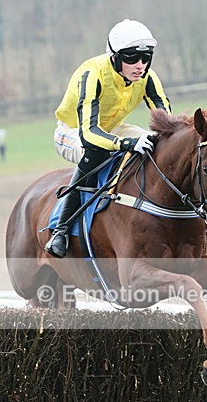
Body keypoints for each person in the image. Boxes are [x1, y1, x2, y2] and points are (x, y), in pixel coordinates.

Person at [46, 18, 171, 258]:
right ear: (114, 57)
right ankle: (60, 228)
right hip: (73, 132)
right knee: (99, 151)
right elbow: (89, 134)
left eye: (146, 58)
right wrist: (126, 144)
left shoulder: (147, 76)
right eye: (132, 58)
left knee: (157, 144)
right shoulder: (91, 75)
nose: (140, 65)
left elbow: (166, 122)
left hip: (114, 128)